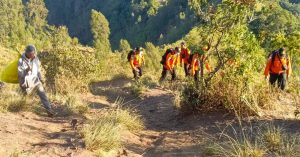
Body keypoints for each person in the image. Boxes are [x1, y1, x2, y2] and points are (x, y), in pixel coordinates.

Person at [18, 45, 54, 117]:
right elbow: (20, 74)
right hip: (26, 83)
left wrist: (41, 78)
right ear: (27, 53)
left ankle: (49, 111)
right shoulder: (21, 61)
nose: (32, 55)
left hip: (36, 81)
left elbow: (38, 70)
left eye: (33, 53)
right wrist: (26, 70)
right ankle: (20, 109)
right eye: (31, 54)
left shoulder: (36, 59)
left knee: (43, 94)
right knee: (25, 97)